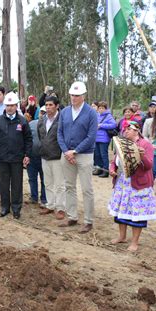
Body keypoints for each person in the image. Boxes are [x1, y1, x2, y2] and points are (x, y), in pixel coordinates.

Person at [108, 121, 156, 252]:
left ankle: (135, 242)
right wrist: (112, 169)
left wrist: (141, 156)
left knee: (137, 212)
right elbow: (115, 161)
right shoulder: (122, 142)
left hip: (138, 184)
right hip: (122, 182)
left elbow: (149, 166)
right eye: (125, 129)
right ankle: (122, 236)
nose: (125, 131)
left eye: (128, 129)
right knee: (121, 210)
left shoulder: (145, 144)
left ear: (136, 131)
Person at [57, 81, 98, 233]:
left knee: (87, 189)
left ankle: (88, 221)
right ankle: (72, 216)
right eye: (72, 95)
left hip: (84, 155)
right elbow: (59, 132)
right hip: (66, 154)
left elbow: (91, 136)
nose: (74, 98)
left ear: (83, 96)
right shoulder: (65, 112)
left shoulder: (91, 113)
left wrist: (75, 151)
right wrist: (66, 151)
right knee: (69, 186)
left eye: (77, 95)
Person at [0, 92, 32, 219]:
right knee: (4, 184)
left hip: (17, 159)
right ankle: (5, 207)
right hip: (2, 158)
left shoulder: (23, 121)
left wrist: (27, 155)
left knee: (17, 185)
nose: (10, 108)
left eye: (12, 105)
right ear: (5, 106)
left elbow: (28, 139)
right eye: (8, 105)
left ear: (16, 106)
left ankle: (16, 208)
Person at [38, 96, 65, 219]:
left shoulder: (62, 119)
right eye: (46, 105)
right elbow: (41, 136)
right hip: (45, 155)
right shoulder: (42, 119)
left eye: (51, 105)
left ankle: (60, 208)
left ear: (57, 106)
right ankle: (50, 205)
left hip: (58, 157)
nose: (48, 107)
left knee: (59, 184)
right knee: (47, 183)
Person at [27, 107, 47, 206]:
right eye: (41, 112)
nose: (43, 114)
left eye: (45, 113)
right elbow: (26, 138)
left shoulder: (51, 124)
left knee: (45, 179)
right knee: (32, 178)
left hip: (45, 157)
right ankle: (33, 197)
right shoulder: (31, 124)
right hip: (32, 156)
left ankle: (44, 199)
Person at [93, 101, 117, 178]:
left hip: (104, 139)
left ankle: (105, 170)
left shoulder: (108, 116)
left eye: (102, 108)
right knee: (97, 155)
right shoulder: (96, 115)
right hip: (96, 138)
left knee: (103, 155)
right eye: (99, 108)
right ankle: (99, 169)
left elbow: (113, 124)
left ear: (106, 109)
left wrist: (102, 125)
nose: (101, 109)